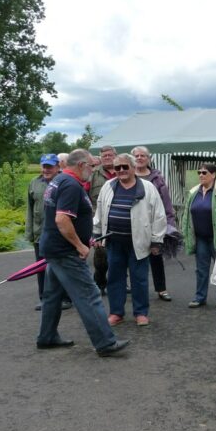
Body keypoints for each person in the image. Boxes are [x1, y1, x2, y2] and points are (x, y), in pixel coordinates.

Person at [36, 149, 129, 357]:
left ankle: (47, 337)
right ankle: (105, 343)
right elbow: (62, 219)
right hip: (65, 251)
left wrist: (84, 237)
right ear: (80, 165)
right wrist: (80, 245)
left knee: (52, 295)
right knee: (89, 294)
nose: (92, 169)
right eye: (91, 166)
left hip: (54, 248)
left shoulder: (58, 181)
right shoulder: (70, 185)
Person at [94, 153, 167, 327]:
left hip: (139, 242)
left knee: (139, 279)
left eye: (125, 167)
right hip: (114, 242)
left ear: (133, 168)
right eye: (117, 167)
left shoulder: (148, 188)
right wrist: (97, 234)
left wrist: (157, 240)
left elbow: (159, 215)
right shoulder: (108, 186)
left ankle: (141, 313)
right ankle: (116, 312)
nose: (121, 170)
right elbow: (100, 211)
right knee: (114, 278)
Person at [26, 153, 72, 311]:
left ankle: (65, 298)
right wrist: (30, 233)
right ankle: (44, 299)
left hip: (60, 234)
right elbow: (30, 209)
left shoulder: (64, 182)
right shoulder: (34, 183)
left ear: (58, 167)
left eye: (50, 166)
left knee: (61, 267)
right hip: (40, 233)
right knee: (41, 268)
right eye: (44, 166)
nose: (46, 169)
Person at [131, 145, 177, 302]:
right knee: (134, 259)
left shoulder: (157, 178)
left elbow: (166, 202)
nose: (139, 158)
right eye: (136, 155)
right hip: (132, 225)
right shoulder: (127, 176)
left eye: (142, 155)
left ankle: (161, 289)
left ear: (148, 159)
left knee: (156, 256)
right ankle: (137, 289)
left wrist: (170, 222)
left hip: (153, 224)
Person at [181, 163, 216, 308]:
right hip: (200, 238)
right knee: (201, 269)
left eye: (204, 172)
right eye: (199, 172)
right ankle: (200, 297)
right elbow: (186, 215)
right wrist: (186, 233)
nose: (201, 175)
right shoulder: (193, 192)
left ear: (213, 175)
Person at [89, 145, 117, 295]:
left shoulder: (123, 172)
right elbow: (84, 197)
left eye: (109, 155)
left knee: (120, 255)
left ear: (115, 156)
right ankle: (100, 283)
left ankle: (120, 283)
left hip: (119, 221)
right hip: (98, 222)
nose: (107, 157)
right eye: (104, 155)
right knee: (101, 258)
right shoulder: (93, 175)